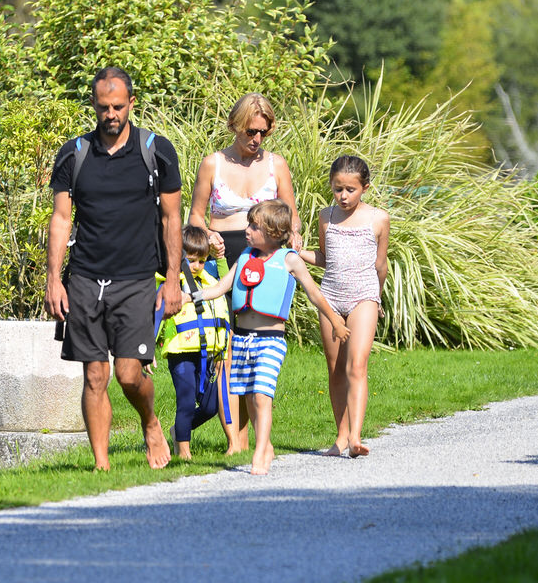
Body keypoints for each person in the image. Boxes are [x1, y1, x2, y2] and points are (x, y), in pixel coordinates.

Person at [46, 67, 184, 470]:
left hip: (137, 279)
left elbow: (171, 219)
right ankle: (100, 467)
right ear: (94, 104)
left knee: (127, 374)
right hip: (86, 277)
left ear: (131, 104)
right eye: (104, 107)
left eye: (118, 107)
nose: (111, 114)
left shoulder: (156, 151)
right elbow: (60, 218)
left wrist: (172, 280)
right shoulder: (74, 154)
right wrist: (54, 279)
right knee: (94, 376)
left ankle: (150, 421)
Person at [195, 199, 347, 475]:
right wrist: (191, 296)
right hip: (241, 339)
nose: (247, 230)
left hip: (270, 341)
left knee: (263, 396)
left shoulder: (289, 260)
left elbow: (314, 293)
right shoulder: (244, 258)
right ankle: (264, 446)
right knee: (251, 396)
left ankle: (260, 452)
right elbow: (221, 287)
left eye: (254, 226)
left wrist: (335, 320)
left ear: (274, 233)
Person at [301, 154, 389, 458]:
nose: (343, 196)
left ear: (364, 187)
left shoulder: (378, 219)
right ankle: (340, 437)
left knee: (357, 365)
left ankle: (355, 436)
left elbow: (381, 264)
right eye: (338, 189)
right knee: (335, 368)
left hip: (364, 295)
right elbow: (324, 258)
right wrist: (297, 252)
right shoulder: (326, 217)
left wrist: (377, 297)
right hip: (331, 296)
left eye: (350, 189)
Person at [189, 93, 298, 266]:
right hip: (222, 253)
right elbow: (195, 216)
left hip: (266, 255)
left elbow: (292, 216)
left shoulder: (276, 164)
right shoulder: (212, 163)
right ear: (235, 126)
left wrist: (294, 233)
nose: (257, 139)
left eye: (263, 133)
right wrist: (209, 235)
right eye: (251, 132)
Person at [158, 224, 230, 462]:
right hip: (182, 353)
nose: (197, 266)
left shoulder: (209, 280)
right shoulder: (172, 283)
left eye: (202, 261)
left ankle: (179, 431)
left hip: (207, 353)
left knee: (211, 406)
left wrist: (219, 257)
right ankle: (184, 452)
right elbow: (157, 315)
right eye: (191, 261)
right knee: (186, 401)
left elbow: (225, 279)